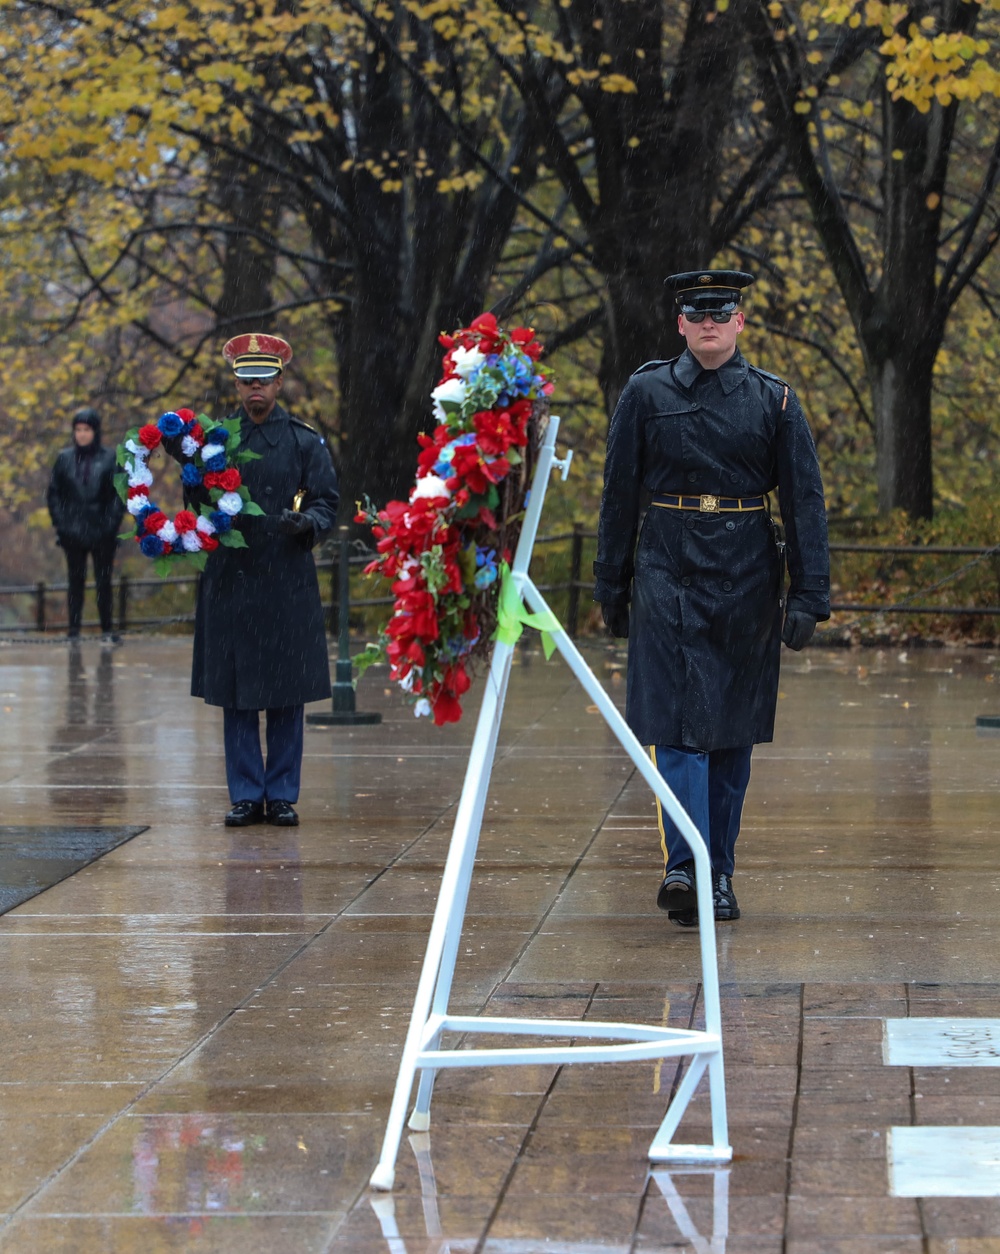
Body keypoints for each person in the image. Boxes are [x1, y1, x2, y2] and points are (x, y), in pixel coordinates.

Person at [594, 270, 830, 926]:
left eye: (719, 313)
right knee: (675, 727)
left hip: (746, 570)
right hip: (667, 564)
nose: (707, 324)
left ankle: (717, 872)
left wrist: (811, 592)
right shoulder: (645, 392)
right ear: (679, 323)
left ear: (739, 321)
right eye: (696, 314)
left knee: (730, 737)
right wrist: (610, 581)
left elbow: (804, 498)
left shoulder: (774, 401)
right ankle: (685, 865)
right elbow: (619, 491)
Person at [170, 333, 339, 827]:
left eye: (263, 379)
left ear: (280, 382)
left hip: (286, 581)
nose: (255, 389)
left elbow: (327, 499)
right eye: (246, 381)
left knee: (286, 692)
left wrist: (307, 523)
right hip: (232, 581)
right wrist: (191, 477)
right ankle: (246, 793)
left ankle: (282, 793)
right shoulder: (217, 441)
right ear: (237, 385)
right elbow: (197, 511)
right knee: (238, 693)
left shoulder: (304, 441)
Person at [47, 408, 126, 641]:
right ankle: (73, 631)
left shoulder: (110, 458)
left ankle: (107, 630)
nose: (82, 434)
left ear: (95, 431)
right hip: (72, 531)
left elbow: (118, 495)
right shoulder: (64, 459)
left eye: (86, 430)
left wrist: (110, 525)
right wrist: (62, 525)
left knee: (104, 582)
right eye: (78, 430)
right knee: (75, 582)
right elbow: (54, 495)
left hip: (102, 531)